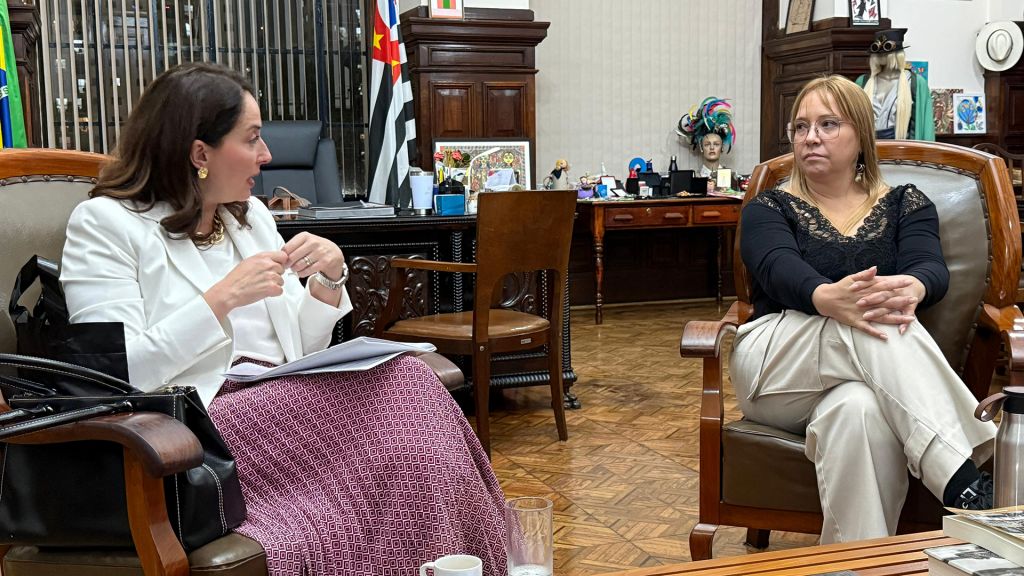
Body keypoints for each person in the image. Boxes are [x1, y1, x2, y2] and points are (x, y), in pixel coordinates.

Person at [59, 62, 507, 575]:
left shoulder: (250, 217)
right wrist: (220, 300)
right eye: (252, 139)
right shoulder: (106, 224)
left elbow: (302, 350)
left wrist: (329, 279)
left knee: (410, 402)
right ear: (200, 153)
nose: (267, 155)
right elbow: (115, 376)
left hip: (282, 397)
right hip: (196, 426)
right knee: (408, 387)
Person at [730, 74, 996, 544]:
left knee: (858, 411)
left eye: (828, 124)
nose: (810, 137)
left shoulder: (906, 204)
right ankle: (965, 477)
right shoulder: (768, 207)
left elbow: (931, 268)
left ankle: (853, 565)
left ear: (861, 135)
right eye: (801, 127)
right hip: (775, 365)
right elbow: (775, 266)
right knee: (869, 318)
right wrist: (823, 297)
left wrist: (915, 286)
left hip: (869, 376)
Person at [855, 30, 934, 141]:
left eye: (886, 50)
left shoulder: (916, 83)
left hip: (902, 147)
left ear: (898, 54)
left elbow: (926, 125)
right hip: (869, 146)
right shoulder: (863, 82)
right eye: (878, 51)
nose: (881, 54)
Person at [676, 96, 736, 178]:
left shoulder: (731, 178)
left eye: (716, 144)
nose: (712, 148)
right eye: (707, 144)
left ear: (722, 147)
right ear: (701, 147)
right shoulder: (695, 178)